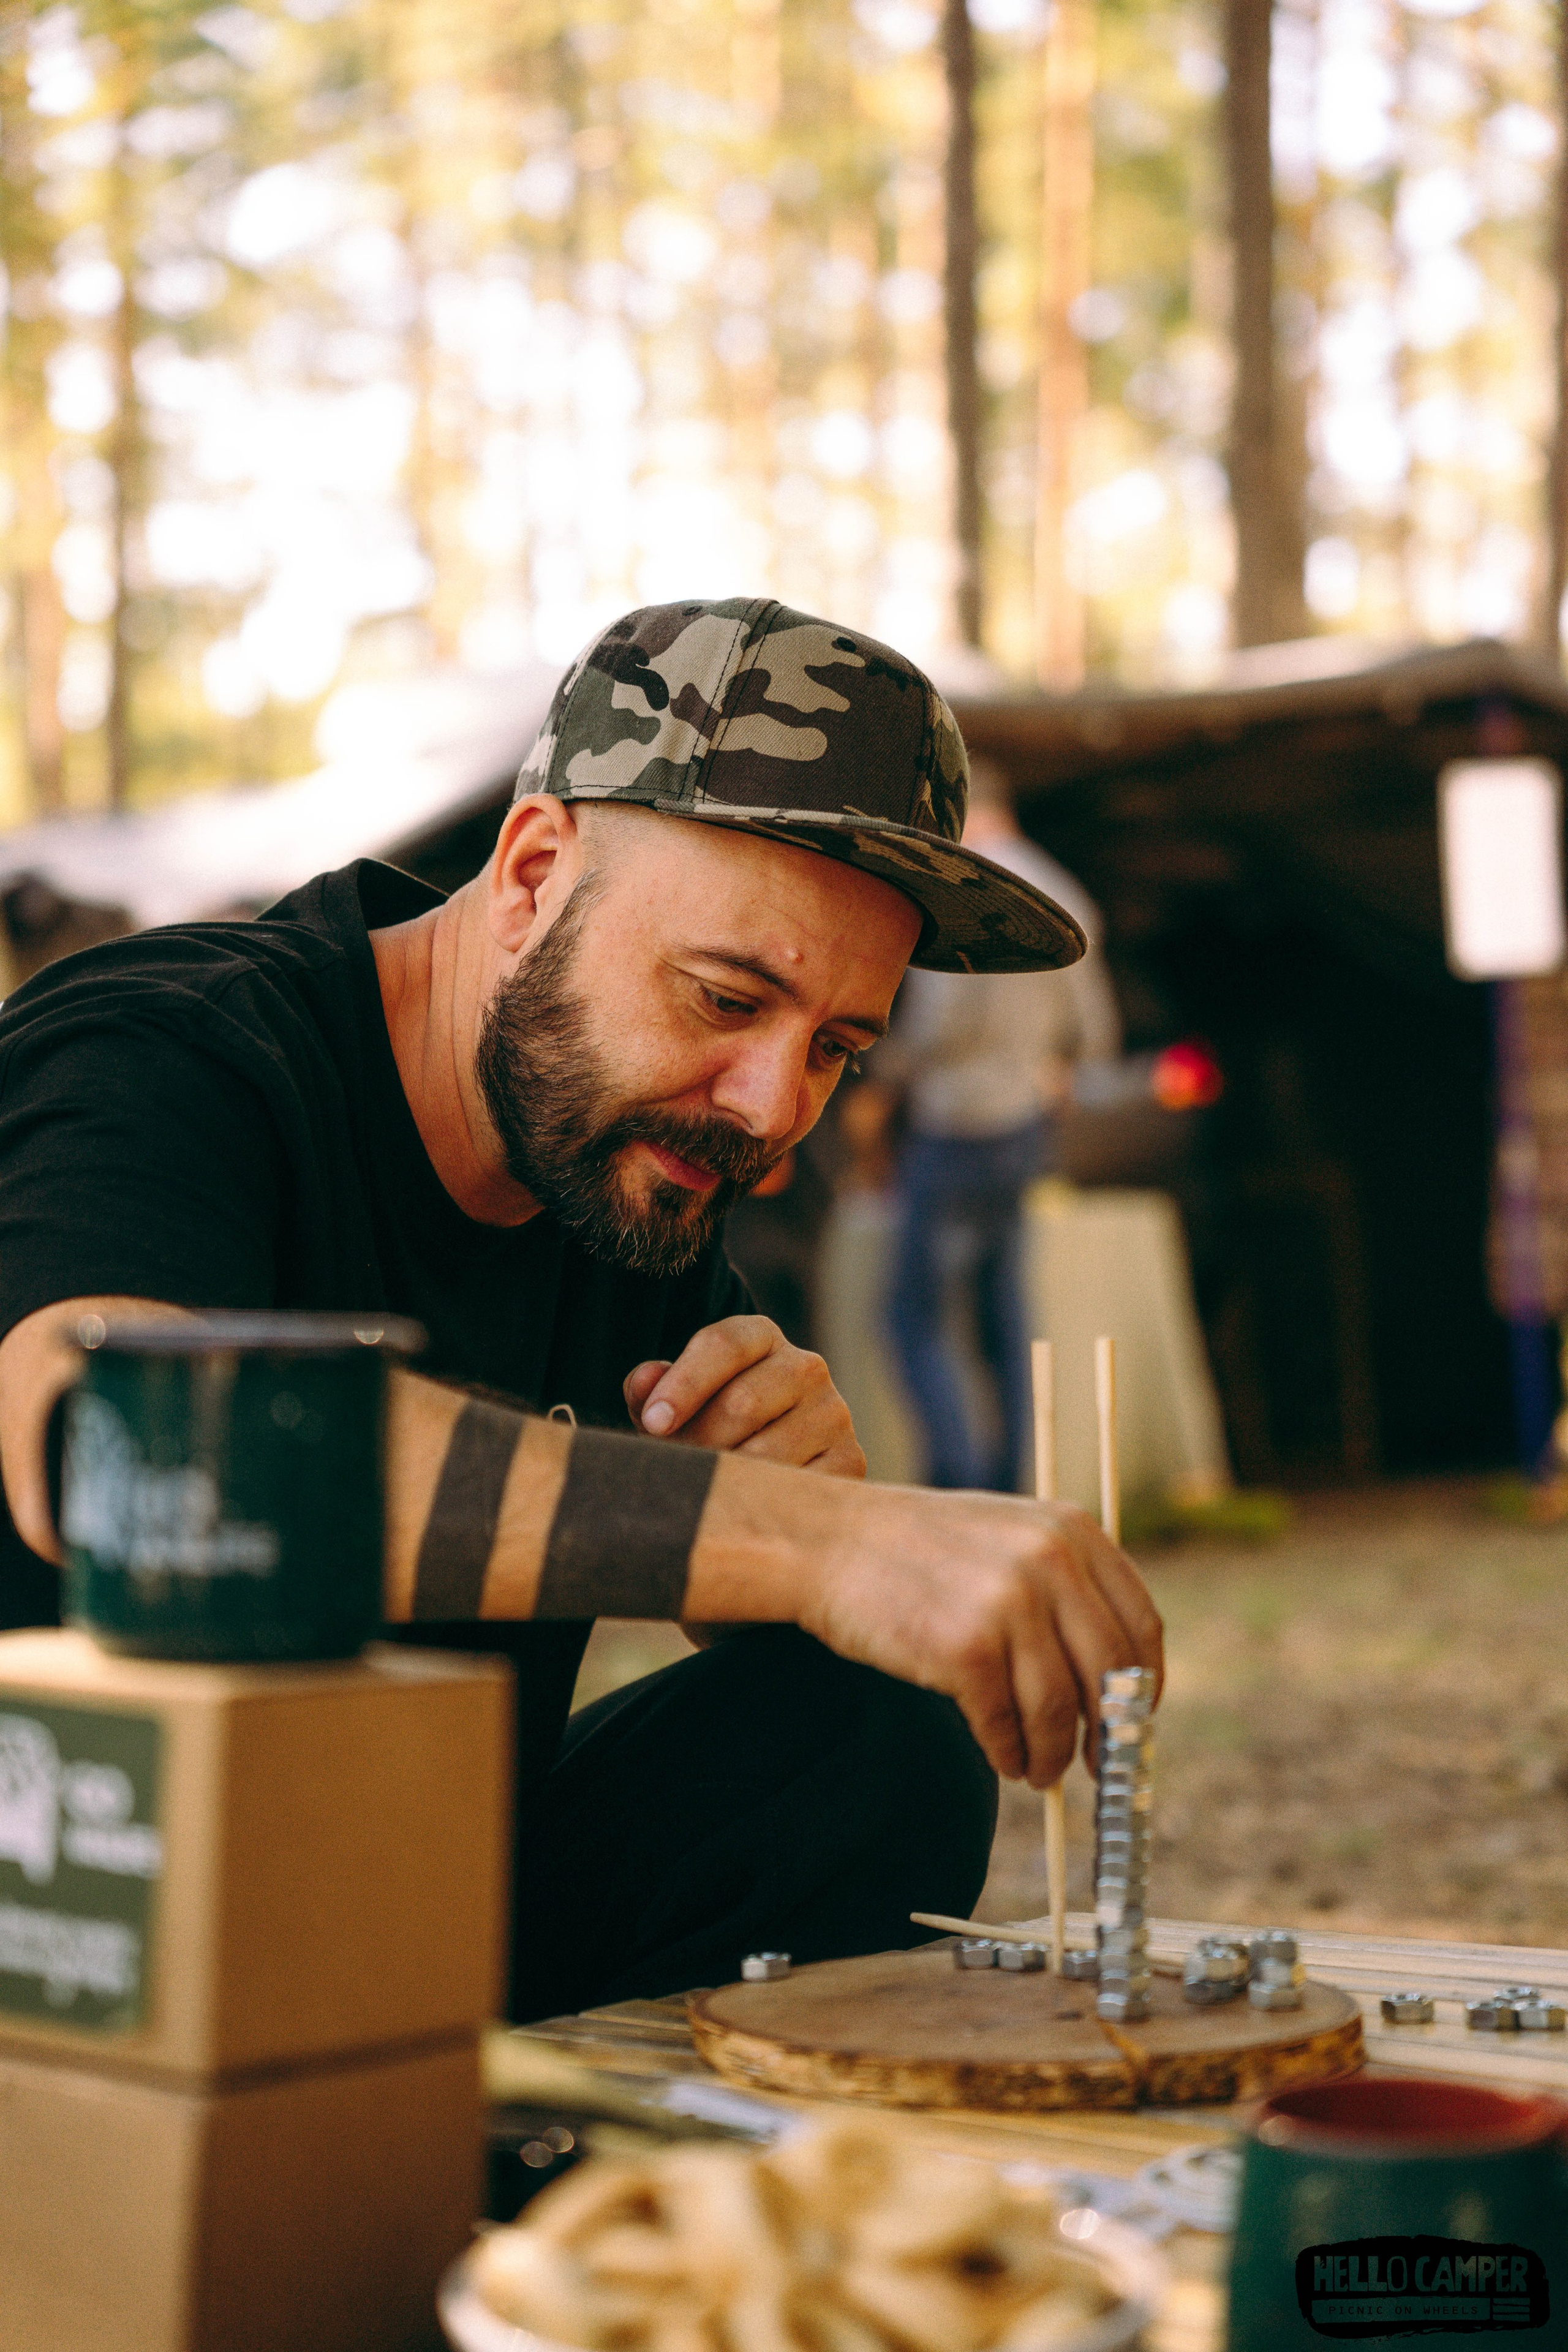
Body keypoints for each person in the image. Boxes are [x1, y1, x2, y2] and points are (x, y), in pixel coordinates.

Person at [0, 598, 1160, 2021]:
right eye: (726, 996)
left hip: (380, 1910)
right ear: (535, 871)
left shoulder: (622, 1167)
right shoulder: (168, 1049)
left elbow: (768, 1662)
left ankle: (563, 2201)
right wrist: (813, 1541)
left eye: (834, 1051)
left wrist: (772, 1550)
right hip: (65, 1909)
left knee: (872, 1733)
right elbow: (136, 1458)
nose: (770, 1112)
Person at [853, 758, 1120, 1492]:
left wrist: (882, 1072)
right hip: (1024, 1128)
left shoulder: (969, 895)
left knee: (912, 1317)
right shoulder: (1064, 892)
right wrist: (1043, 1066)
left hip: (953, 1128)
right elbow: (1093, 1033)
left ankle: (958, 1479)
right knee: (1005, 1316)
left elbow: (940, 1024)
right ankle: (1013, 1486)